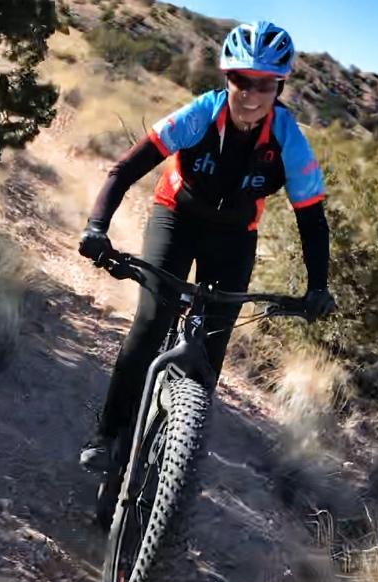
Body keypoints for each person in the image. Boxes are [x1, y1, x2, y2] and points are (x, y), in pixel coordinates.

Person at [78, 20, 336, 472]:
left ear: (280, 86)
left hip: (235, 235)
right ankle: (109, 433)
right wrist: (97, 228)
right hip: (176, 216)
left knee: (209, 350)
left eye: (264, 84)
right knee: (152, 320)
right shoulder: (200, 114)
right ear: (226, 77)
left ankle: (174, 461)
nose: (250, 94)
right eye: (240, 80)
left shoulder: (289, 139)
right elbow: (123, 171)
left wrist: (319, 287)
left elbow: (311, 217)